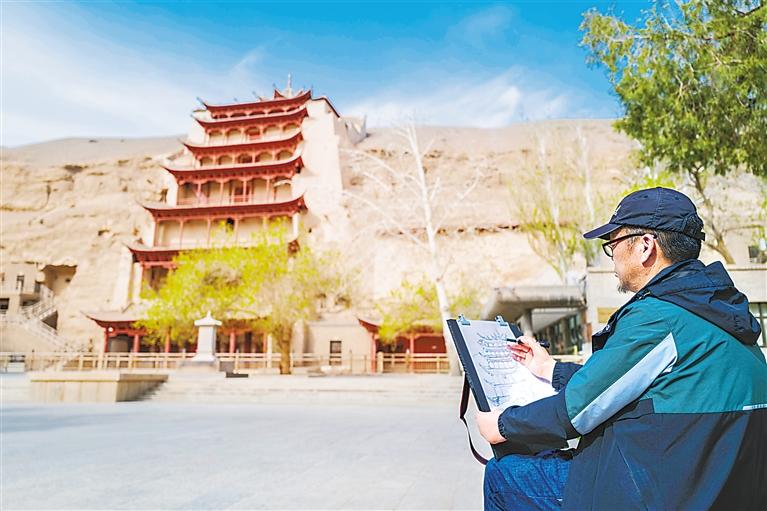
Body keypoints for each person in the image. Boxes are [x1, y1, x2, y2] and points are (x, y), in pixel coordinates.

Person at [476, 187, 767, 510]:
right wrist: (549, 369)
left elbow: (577, 411)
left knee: (504, 475)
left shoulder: (658, 317)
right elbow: (619, 385)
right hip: (706, 486)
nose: (612, 254)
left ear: (645, 246)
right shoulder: (715, 311)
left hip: (660, 495)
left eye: (613, 243)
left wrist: (503, 425)